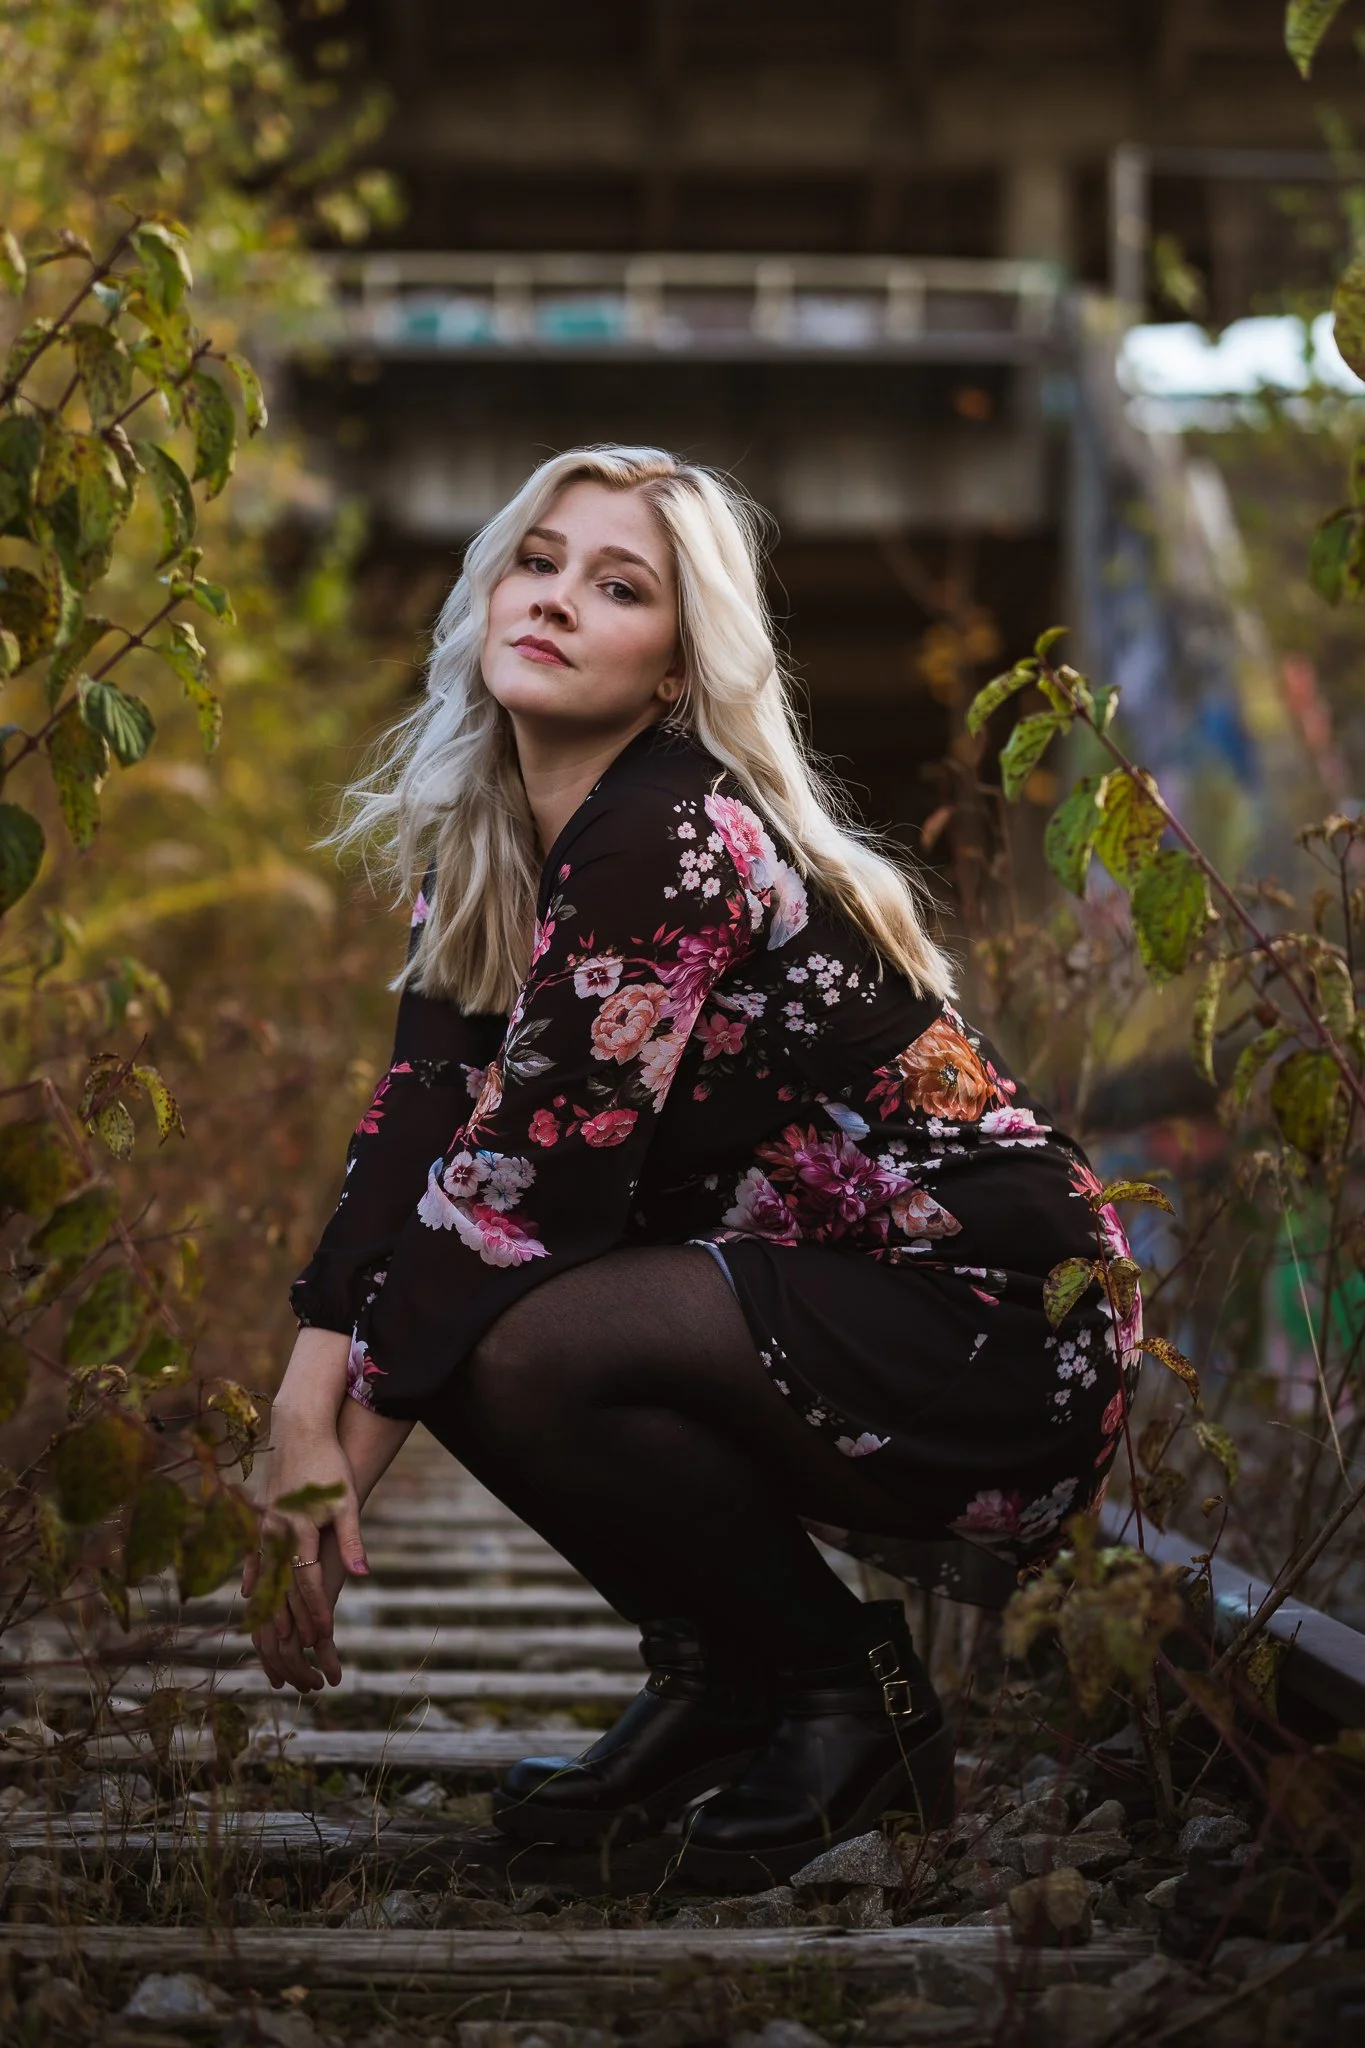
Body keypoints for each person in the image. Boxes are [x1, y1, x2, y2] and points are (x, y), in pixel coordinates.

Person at [243, 445, 1141, 1888]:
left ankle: (850, 1694)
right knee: (454, 1321)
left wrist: (319, 1497)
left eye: (618, 587)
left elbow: (513, 1204)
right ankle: (722, 1679)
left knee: (506, 1334)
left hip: (993, 1317)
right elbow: (420, 1117)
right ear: (490, 590)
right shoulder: (495, 839)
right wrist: (304, 1398)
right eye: (538, 562)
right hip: (817, 1294)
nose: (554, 598)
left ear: (676, 669)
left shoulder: (667, 832)